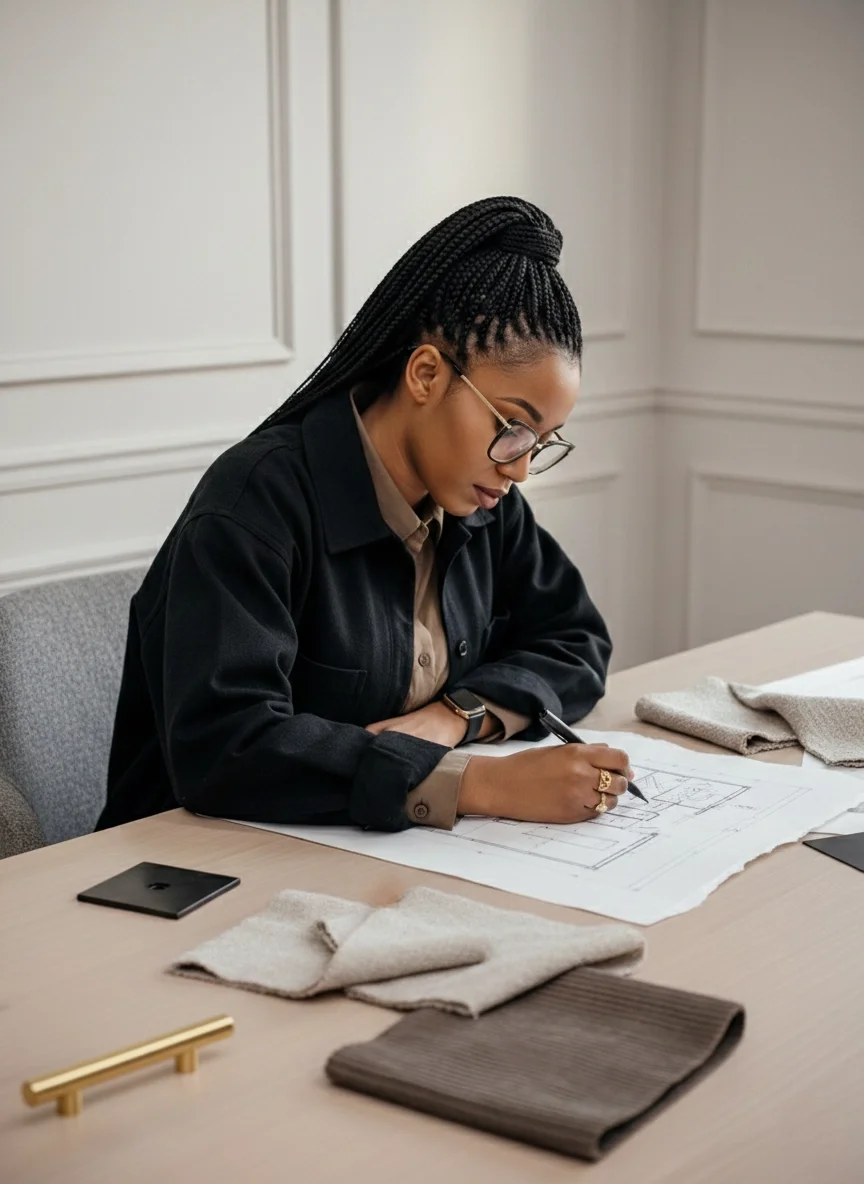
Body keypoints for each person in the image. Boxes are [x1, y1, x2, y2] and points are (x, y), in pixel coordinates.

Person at [97, 196, 633, 835]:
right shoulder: (256, 502)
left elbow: (577, 639)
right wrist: (477, 782)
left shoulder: (482, 502)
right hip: (189, 860)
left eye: (540, 443)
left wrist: (458, 716)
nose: (519, 468)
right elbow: (225, 747)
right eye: (512, 426)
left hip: (356, 853)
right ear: (426, 374)